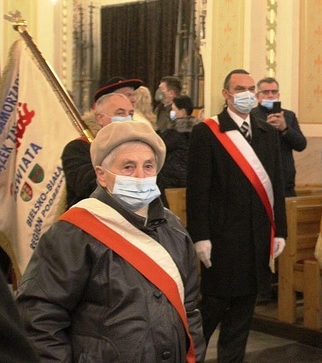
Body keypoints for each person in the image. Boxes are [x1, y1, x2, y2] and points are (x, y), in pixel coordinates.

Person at [17, 120, 206, 362]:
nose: (141, 176)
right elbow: (38, 320)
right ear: (101, 175)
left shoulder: (174, 229)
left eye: (148, 166)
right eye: (128, 167)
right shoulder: (72, 234)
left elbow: (190, 311)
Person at [186, 69, 287, 362]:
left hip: (256, 239)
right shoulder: (207, 132)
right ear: (226, 94)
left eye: (251, 88)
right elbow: (197, 191)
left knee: (244, 309)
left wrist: (279, 229)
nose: (247, 94)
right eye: (239, 88)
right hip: (222, 238)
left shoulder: (267, 132)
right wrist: (200, 237)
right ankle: (189, 356)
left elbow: (276, 186)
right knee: (215, 305)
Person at [61, 92, 134, 209]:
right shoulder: (78, 148)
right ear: (100, 118)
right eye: (120, 113)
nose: (128, 118)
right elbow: (87, 186)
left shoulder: (138, 149)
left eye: (131, 113)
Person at [251, 77, 307, 197]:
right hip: (259, 177)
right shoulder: (251, 115)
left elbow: (301, 145)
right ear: (257, 96)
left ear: (278, 94)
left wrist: (285, 128)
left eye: (274, 92)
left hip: (285, 179)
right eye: (265, 92)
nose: (270, 95)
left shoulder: (289, 116)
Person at [158, 95, 198, 192]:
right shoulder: (197, 130)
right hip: (188, 176)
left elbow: (162, 146)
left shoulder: (177, 132)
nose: (171, 112)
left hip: (173, 179)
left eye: (174, 109)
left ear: (182, 112)